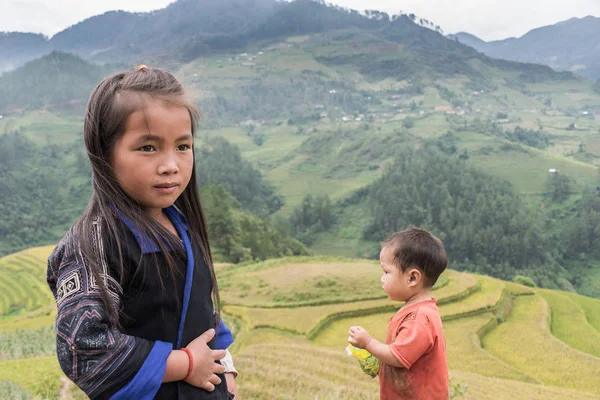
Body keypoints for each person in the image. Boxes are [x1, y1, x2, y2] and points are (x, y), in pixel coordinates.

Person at [46, 65, 238, 399]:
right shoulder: (94, 243)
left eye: (182, 146)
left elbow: (199, 309)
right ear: (106, 153)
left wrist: (226, 364)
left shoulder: (181, 225)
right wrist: (187, 364)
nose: (171, 165)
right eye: (148, 148)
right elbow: (83, 347)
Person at [348, 226, 449, 400]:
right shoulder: (416, 309)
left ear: (412, 278)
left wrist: (368, 342)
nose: (382, 278)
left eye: (386, 272)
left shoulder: (419, 318)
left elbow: (397, 357)